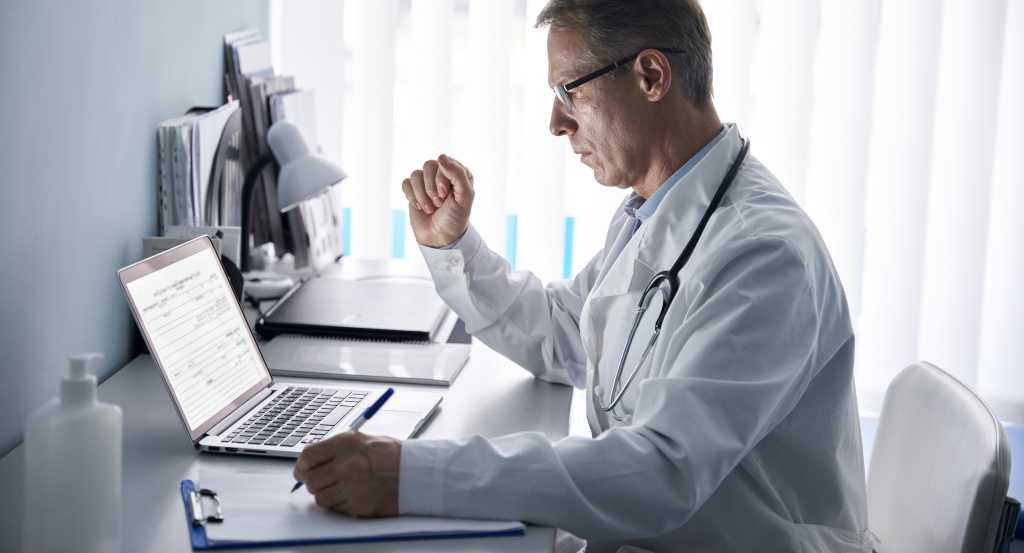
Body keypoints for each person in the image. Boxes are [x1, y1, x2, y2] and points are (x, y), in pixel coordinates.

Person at [293, 1, 874, 551]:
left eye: (568, 89)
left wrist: (407, 473)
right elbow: (565, 333)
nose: (555, 122)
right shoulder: (657, 210)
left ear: (651, 76)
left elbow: (662, 471)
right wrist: (454, 247)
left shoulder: (763, 256)